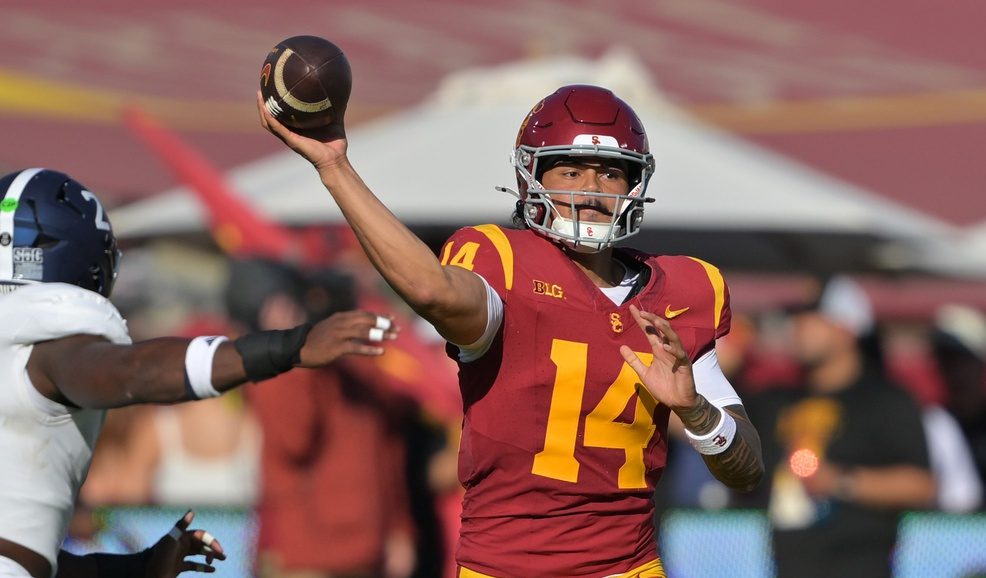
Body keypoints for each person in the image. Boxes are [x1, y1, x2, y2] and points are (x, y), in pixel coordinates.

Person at [259, 84, 764, 577]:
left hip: (627, 568)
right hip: (504, 567)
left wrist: (696, 412)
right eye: (570, 170)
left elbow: (746, 470)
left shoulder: (684, 290)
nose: (590, 192)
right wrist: (334, 168)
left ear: (635, 185)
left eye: (611, 173)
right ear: (532, 177)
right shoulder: (501, 263)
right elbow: (432, 289)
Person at [0, 168, 397, 578]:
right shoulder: (51, 346)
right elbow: (137, 372)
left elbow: (25, 551)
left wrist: (136, 567)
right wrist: (287, 346)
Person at [225, 258, 416, 578]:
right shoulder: (275, 372)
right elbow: (294, 440)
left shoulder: (359, 371)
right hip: (305, 556)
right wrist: (291, 349)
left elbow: (387, 453)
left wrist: (400, 529)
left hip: (367, 550)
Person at [742, 277, 935, 578]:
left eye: (812, 318)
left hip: (856, 566)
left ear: (847, 327)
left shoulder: (885, 401)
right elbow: (705, 430)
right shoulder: (773, 400)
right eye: (796, 319)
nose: (798, 328)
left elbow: (921, 485)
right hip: (780, 566)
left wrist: (840, 481)